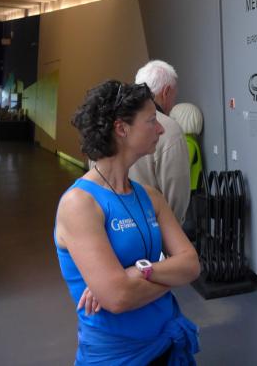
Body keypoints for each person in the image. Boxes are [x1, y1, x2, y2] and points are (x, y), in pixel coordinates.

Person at [54, 80, 201, 365]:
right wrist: (168, 275)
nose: (160, 129)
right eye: (151, 121)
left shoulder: (151, 197)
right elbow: (118, 297)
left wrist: (138, 272)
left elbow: (191, 265)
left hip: (166, 344)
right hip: (116, 356)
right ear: (122, 129)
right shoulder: (80, 204)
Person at [130, 61, 191, 224]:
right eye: (174, 97)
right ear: (166, 92)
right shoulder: (169, 129)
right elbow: (176, 198)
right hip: (155, 229)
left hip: (115, 228)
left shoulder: (113, 125)